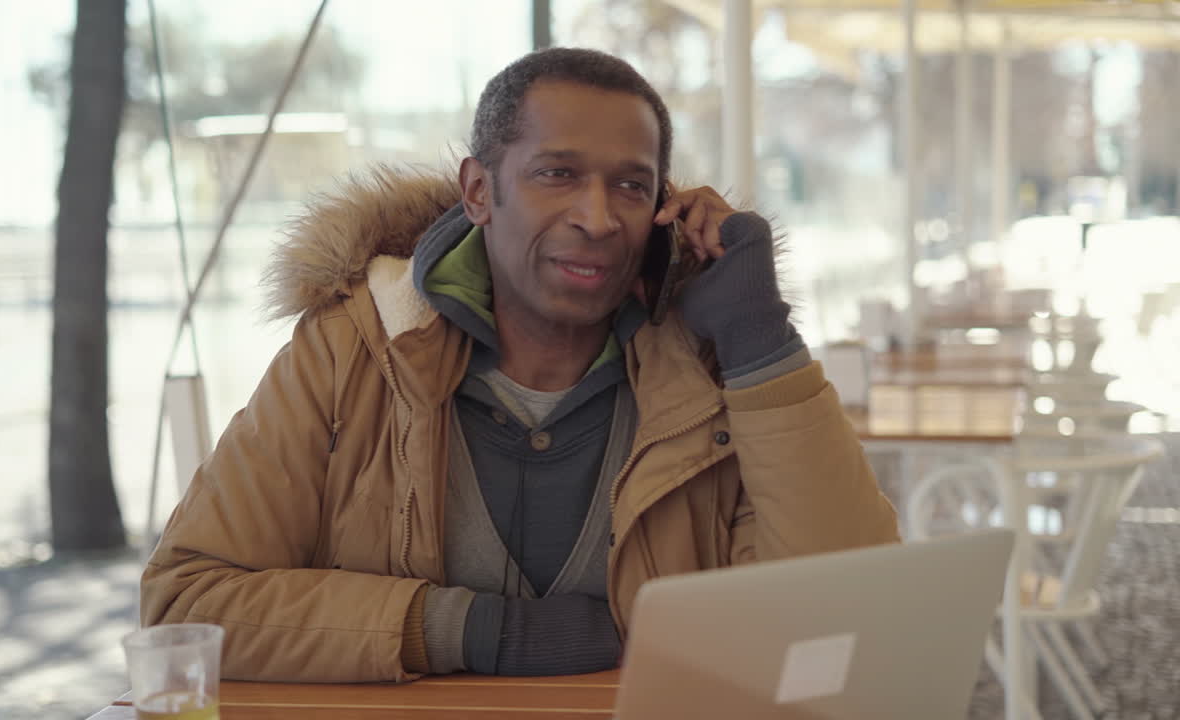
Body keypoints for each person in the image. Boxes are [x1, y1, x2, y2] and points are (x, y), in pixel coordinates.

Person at [141, 47, 898, 683]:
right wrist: (469, 631)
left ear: (660, 208)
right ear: (479, 191)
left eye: (631, 185)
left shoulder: (708, 379)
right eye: (557, 174)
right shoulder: (353, 352)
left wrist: (760, 337)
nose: (598, 218)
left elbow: (854, 619)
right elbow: (186, 603)